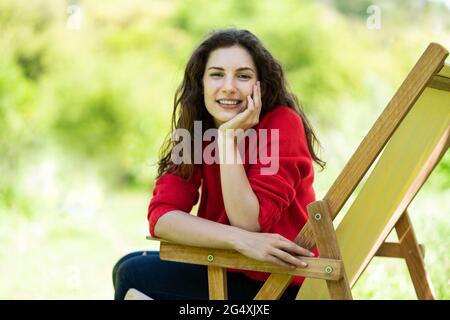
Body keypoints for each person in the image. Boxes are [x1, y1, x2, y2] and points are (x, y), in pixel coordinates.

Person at [113, 28, 326, 300]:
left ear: (261, 86)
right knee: (128, 264)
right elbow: (162, 217)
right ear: (201, 83)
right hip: (226, 266)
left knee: (134, 274)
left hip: (279, 283)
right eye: (216, 74)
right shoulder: (196, 131)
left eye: (243, 76)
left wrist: (226, 141)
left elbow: (249, 223)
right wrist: (236, 239)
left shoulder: (281, 125)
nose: (229, 86)